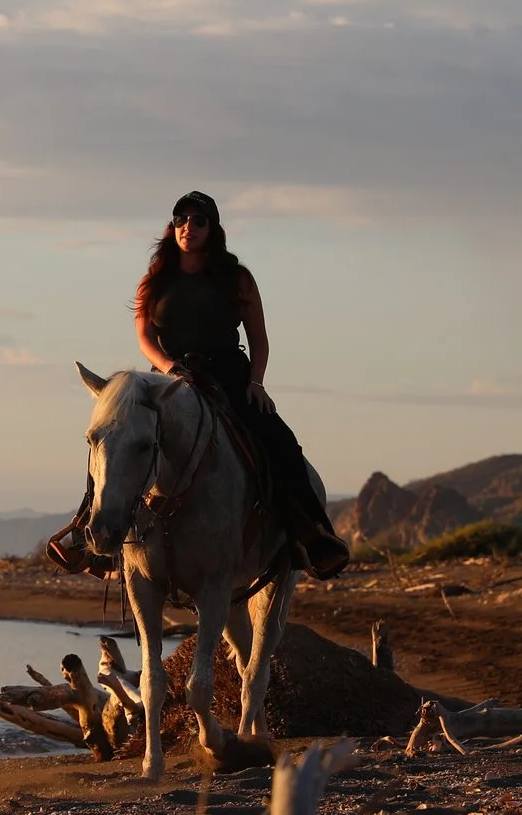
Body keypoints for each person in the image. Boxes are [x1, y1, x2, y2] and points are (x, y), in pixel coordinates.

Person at [48, 191, 350, 579]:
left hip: (226, 374)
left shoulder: (237, 278)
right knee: (116, 439)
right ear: (172, 227)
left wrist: (256, 383)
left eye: (198, 220)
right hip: (167, 379)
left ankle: (311, 534)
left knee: (280, 442)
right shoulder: (154, 279)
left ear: (213, 228)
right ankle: (92, 535)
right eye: (181, 219)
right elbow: (145, 337)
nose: (188, 227)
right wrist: (170, 367)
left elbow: (259, 337)